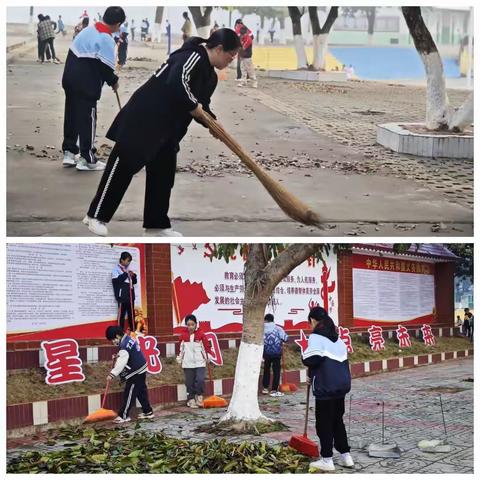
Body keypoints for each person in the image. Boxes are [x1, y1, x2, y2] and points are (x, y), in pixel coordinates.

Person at [83, 28, 241, 237]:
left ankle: (156, 226)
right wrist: (195, 106)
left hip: (168, 129)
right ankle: (95, 216)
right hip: (144, 118)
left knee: (163, 175)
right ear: (220, 48)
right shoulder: (193, 56)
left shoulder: (210, 76)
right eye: (232, 53)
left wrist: (213, 125)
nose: (233, 58)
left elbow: (203, 106)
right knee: (123, 167)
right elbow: (178, 82)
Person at [61, 6, 124, 171]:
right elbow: (105, 68)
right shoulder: (106, 39)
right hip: (86, 85)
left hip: (69, 79)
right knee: (87, 119)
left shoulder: (87, 30)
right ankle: (87, 159)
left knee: (72, 114)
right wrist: (114, 81)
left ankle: (68, 152)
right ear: (117, 24)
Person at [302, 306, 354, 472]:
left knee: (324, 424)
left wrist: (303, 355)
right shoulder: (338, 339)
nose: (310, 326)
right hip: (341, 386)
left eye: (310, 323)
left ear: (313, 321)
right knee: (337, 421)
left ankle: (327, 459)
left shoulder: (316, 337)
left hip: (326, 388)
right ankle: (346, 456)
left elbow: (312, 359)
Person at [106, 326, 154, 423]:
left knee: (129, 393)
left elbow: (121, 363)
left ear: (117, 336)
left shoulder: (124, 346)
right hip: (142, 367)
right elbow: (126, 355)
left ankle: (123, 415)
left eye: (113, 340)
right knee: (141, 392)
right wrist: (118, 355)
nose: (113, 342)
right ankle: (148, 411)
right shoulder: (128, 339)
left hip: (135, 371)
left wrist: (112, 374)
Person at [176, 314, 214, 408]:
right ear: (186, 325)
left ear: (196, 324)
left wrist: (207, 357)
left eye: (192, 324)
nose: (190, 327)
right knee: (189, 382)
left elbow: (206, 348)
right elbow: (180, 350)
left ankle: (199, 396)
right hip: (187, 363)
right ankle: (191, 399)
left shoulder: (201, 335)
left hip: (200, 362)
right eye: (188, 325)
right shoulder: (183, 336)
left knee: (200, 380)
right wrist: (179, 359)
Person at [262, 313, 288, 396]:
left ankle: (265, 388)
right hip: (276, 353)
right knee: (276, 371)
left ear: (265, 320)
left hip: (266, 353)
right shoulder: (278, 328)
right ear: (273, 320)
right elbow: (285, 338)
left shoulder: (261, 329)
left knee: (266, 369)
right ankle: (274, 389)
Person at [112, 251, 137, 332]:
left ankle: (133, 331)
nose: (129, 262)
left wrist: (133, 276)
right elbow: (117, 281)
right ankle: (120, 332)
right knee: (121, 315)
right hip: (122, 296)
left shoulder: (128, 269)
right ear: (122, 260)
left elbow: (134, 282)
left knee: (131, 314)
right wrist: (126, 273)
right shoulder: (116, 270)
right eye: (127, 260)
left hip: (130, 295)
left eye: (130, 261)